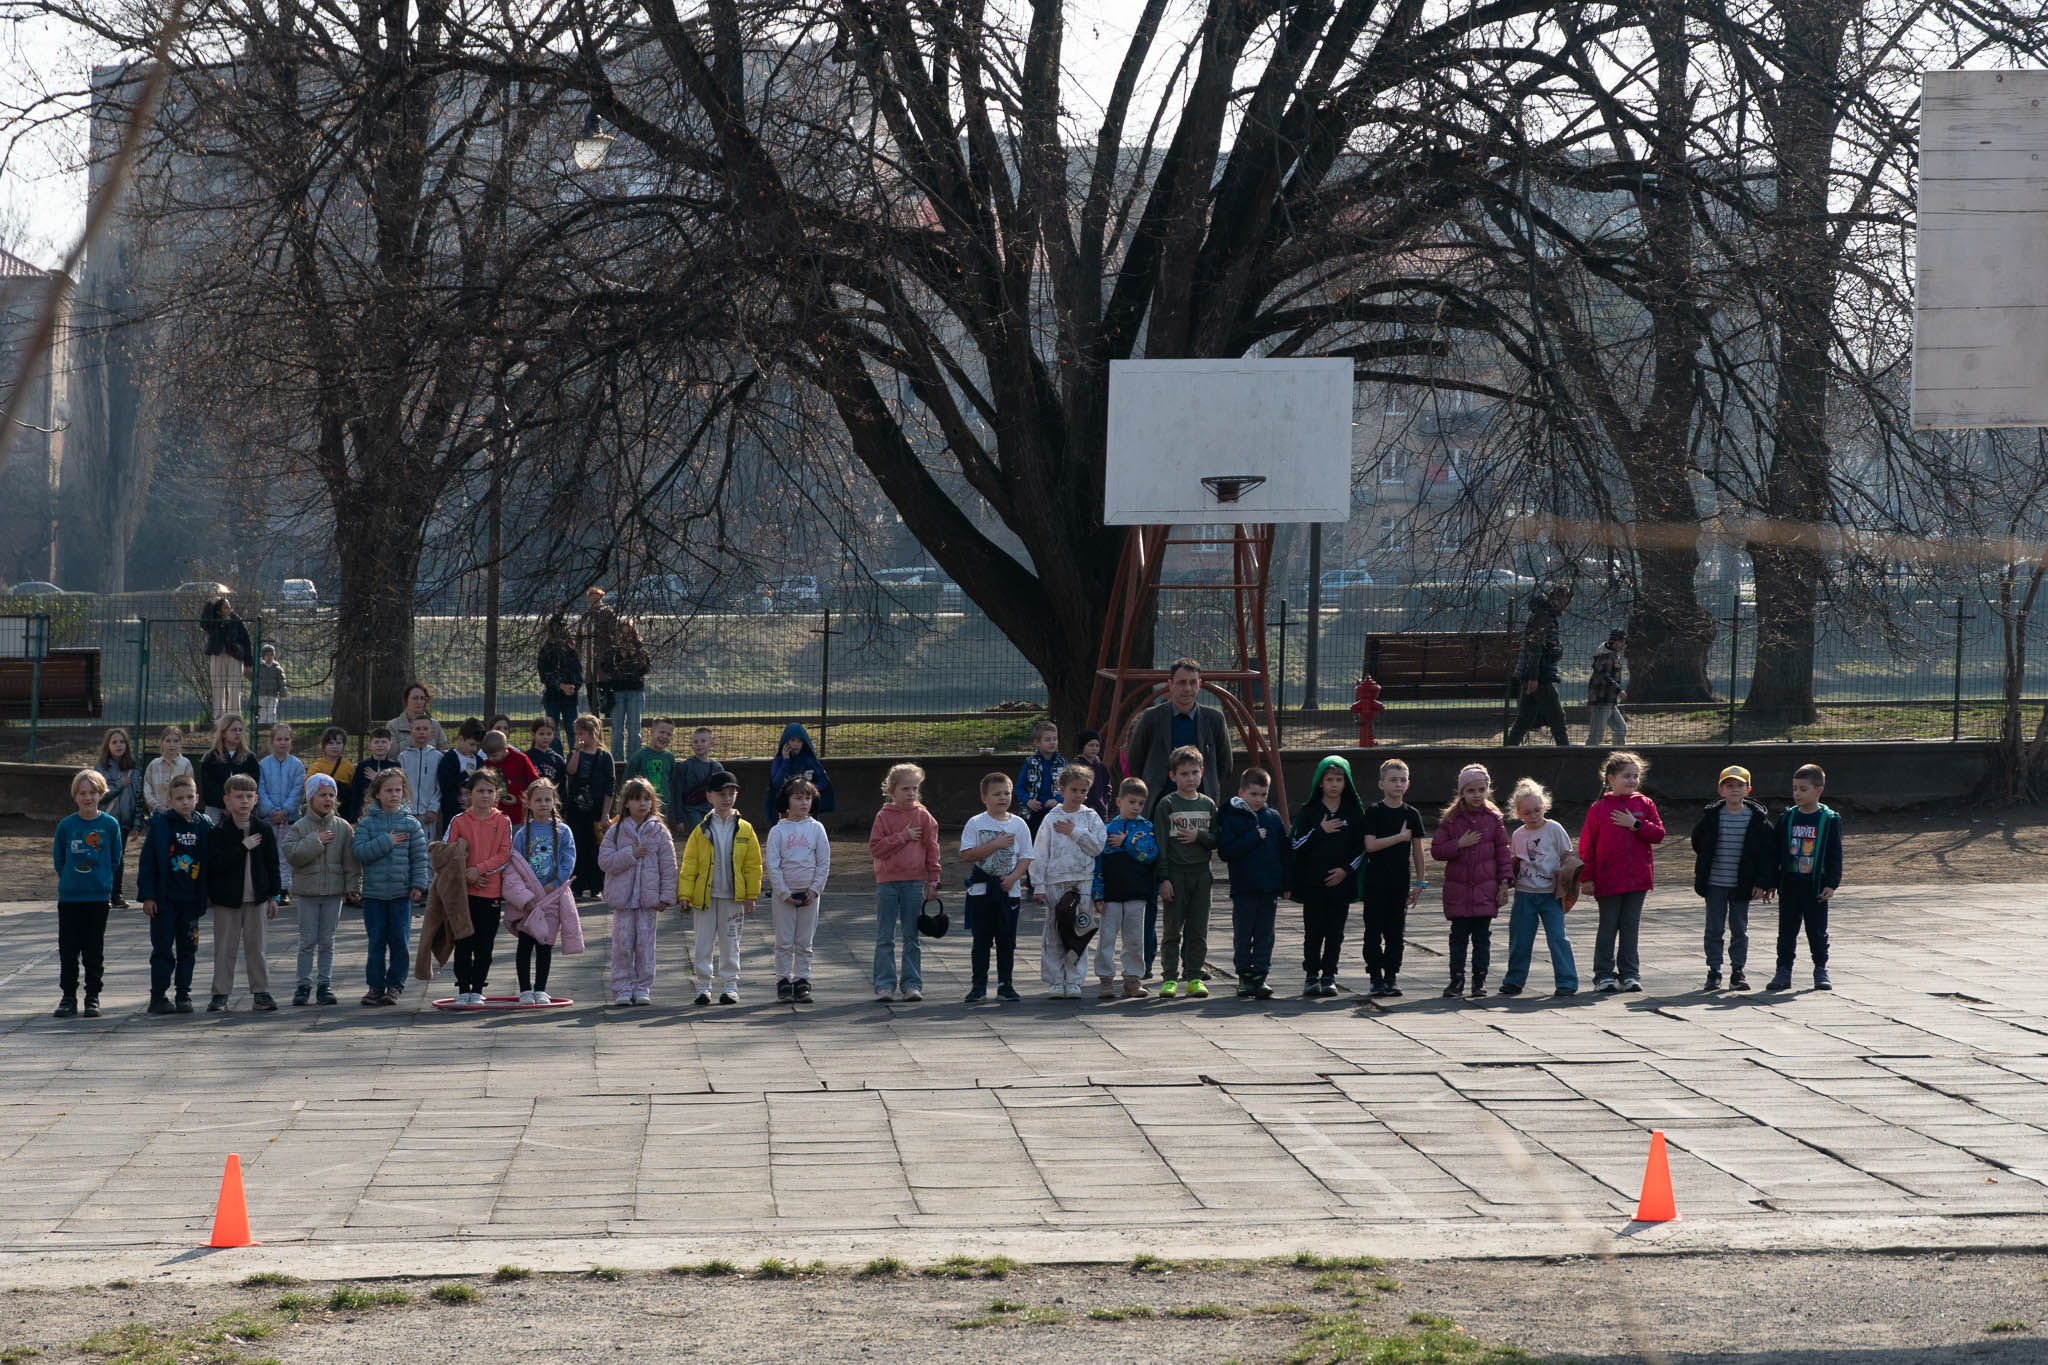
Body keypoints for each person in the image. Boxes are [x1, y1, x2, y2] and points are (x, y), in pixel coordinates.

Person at [1576, 749, 1665, 993]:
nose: (1632, 780)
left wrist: (1635, 824)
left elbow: (1658, 834)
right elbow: (1587, 846)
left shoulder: (1645, 804)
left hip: (1638, 879)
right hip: (1608, 879)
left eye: (1635, 776)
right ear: (1611, 779)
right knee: (1608, 926)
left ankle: (1629, 974)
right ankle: (1603, 974)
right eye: (1626, 775)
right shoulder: (1598, 809)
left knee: (1630, 926)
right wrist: (1586, 877)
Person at [679, 772, 764, 1005]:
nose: (726, 799)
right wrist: (685, 894)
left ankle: (730, 985)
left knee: (731, 942)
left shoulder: (746, 829)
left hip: (733, 897)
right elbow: (689, 864)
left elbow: (753, 864)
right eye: (721, 794)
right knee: (703, 943)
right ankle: (703, 985)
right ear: (709, 796)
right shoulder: (701, 830)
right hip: (704, 898)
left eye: (731, 794)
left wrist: (751, 894)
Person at [1431, 764, 1513, 1000]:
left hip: (1485, 891)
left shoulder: (1493, 819)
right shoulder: (1451, 820)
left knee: (1482, 938)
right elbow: (1437, 850)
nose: (1477, 795)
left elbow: (1502, 852)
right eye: (1471, 791)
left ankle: (1480, 980)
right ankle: (1456, 980)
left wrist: (1505, 881)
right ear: (1462, 793)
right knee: (1457, 938)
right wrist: (1458, 844)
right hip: (1458, 891)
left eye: (1481, 789)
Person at [1288, 755, 1368, 998]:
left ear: (1347, 782)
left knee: (1335, 931)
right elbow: (1295, 844)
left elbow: (1361, 847)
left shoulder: (1353, 811)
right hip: (1313, 882)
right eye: (1329, 779)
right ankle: (1311, 974)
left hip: (1341, 882)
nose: (1334, 784)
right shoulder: (1309, 811)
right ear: (1320, 782)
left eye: (1339, 779)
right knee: (1313, 931)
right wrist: (1319, 831)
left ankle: (1329, 975)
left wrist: (1346, 870)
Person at [1692, 765, 1777, 992]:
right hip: (1715, 883)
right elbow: (1697, 841)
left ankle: (1738, 971)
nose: (1734, 790)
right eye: (1729, 786)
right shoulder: (1711, 817)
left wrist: (1762, 882)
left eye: (1740, 786)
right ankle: (1714, 970)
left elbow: (1767, 855)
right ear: (1721, 790)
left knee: (1739, 929)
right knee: (1714, 929)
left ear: (1748, 790)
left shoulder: (1758, 820)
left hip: (1743, 886)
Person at [205, 772, 281, 1012]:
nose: (244, 801)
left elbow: (272, 863)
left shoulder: (264, 829)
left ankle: (261, 992)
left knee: (256, 948)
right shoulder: (219, 831)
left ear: (256, 799)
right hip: (228, 900)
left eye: (249, 796)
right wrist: (242, 848)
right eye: (238, 796)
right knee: (225, 948)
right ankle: (220, 994)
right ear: (227, 800)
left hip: (257, 899)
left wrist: (274, 895)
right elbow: (215, 865)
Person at [283, 772, 361, 1007]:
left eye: (331, 795)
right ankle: (302, 985)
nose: (327, 799)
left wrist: (353, 886)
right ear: (310, 798)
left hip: (333, 894)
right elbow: (292, 855)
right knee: (307, 941)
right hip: (308, 893)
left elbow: (351, 861)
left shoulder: (343, 828)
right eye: (322, 794)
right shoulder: (300, 826)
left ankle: (324, 984)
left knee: (328, 940)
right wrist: (315, 841)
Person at [352, 767, 428, 1006]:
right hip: (374, 895)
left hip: (400, 894)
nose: (394, 794)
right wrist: (387, 841)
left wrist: (418, 885)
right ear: (377, 793)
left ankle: (395, 985)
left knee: (400, 941)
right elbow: (360, 852)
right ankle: (375, 986)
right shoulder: (366, 824)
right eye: (388, 790)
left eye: (398, 790)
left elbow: (420, 857)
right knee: (376, 941)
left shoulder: (411, 824)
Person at [867, 762, 941, 1004]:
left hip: (913, 883)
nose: (911, 793)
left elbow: (933, 849)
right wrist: (903, 837)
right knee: (885, 936)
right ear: (892, 791)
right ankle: (884, 985)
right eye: (906, 789)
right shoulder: (883, 816)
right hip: (887, 883)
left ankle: (912, 984)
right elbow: (876, 849)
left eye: (915, 788)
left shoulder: (923, 816)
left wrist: (934, 880)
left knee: (912, 936)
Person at [1500, 778, 1582, 998]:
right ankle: (1514, 980)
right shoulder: (1518, 835)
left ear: (1544, 806)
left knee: (1557, 937)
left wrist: (1567, 877)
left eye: (1537, 810)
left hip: (1550, 894)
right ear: (1518, 813)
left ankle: (1567, 981)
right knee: (1520, 939)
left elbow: (1568, 856)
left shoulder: (1554, 829)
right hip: (1525, 894)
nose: (1533, 815)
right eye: (1527, 812)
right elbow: (1516, 861)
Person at [137, 772, 211, 1014]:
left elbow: (213, 863)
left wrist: (209, 893)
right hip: (164, 900)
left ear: (197, 798)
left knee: (188, 950)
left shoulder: (204, 825)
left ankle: (183, 994)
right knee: (162, 950)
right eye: (179, 798)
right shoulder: (160, 825)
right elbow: (147, 863)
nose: (185, 802)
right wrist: (148, 896)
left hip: (191, 901)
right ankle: (158, 996)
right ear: (170, 801)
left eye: (190, 797)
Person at [52, 768, 123, 1019]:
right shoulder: (67, 825)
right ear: (75, 796)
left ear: (101, 794)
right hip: (70, 897)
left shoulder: (109, 825)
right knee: (68, 949)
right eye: (82, 793)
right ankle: (68, 997)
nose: (88, 797)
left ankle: (92, 997)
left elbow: (115, 859)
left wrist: (101, 880)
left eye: (92, 792)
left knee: (94, 949)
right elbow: (59, 859)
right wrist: (72, 880)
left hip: (97, 898)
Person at [599, 777, 675, 1007]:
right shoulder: (616, 831)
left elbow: (669, 866)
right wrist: (629, 854)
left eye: (646, 799)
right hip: (623, 901)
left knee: (645, 944)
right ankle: (622, 987)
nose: (642, 804)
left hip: (647, 901)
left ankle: (642, 986)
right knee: (622, 944)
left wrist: (666, 896)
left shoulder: (660, 832)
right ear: (626, 803)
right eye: (636, 799)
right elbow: (605, 861)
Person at [1032, 765, 1107, 1000]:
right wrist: (1038, 884)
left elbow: (1097, 847)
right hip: (1056, 881)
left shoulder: (1090, 817)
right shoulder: (1051, 818)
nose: (1079, 795)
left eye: (1084, 790)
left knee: (1079, 929)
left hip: (1082, 880)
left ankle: (1074, 980)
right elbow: (1040, 852)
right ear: (1062, 789)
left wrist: (1074, 831)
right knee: (1055, 931)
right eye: (1074, 789)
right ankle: (1055, 979)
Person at [1768, 764, 1842, 992]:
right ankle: (1783, 971)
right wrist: (1770, 881)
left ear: (1818, 790)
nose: (1797, 794)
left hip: (1815, 887)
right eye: (1794, 789)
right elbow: (1775, 852)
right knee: (1786, 932)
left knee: (1817, 931)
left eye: (1803, 789)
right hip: (1790, 885)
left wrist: (1831, 883)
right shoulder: (1787, 818)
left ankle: (1820, 969)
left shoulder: (1828, 819)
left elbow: (1834, 854)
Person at [1358, 757, 1427, 1000]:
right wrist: (1399, 838)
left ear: (1408, 784)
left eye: (1402, 780)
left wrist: (1420, 882)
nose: (1398, 784)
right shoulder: (1375, 812)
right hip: (1376, 882)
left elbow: (1418, 850)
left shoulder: (1412, 814)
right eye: (1393, 780)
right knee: (1373, 931)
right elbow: (1370, 845)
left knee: (1396, 932)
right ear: (1381, 784)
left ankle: (1391, 976)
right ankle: (1375, 976)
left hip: (1400, 882)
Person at [1154, 745, 1219, 1000]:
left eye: (1194, 773)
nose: (1189, 778)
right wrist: (1164, 878)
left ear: (1201, 773)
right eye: (1183, 774)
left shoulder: (1208, 804)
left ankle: (1194, 976)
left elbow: (1216, 840)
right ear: (1173, 776)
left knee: (1198, 929)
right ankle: (1169, 977)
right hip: (1176, 875)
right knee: (1172, 929)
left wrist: (1199, 836)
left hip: (1202, 875)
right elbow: (1160, 843)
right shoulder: (1167, 805)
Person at [1218, 767, 1288, 1002]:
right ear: (1242, 792)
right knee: (1243, 932)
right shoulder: (1232, 817)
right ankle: (1244, 976)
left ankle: (1260, 975)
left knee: (1265, 933)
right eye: (1254, 794)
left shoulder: (1273, 817)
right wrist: (1253, 837)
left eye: (1263, 795)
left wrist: (1286, 881)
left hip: (1269, 887)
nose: (1258, 800)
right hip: (1244, 886)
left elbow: (1284, 851)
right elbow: (1226, 851)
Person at [1127, 659, 1233, 814]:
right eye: (1182, 683)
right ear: (1170, 684)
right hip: (1158, 806)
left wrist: (1207, 784)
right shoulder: (1151, 717)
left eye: (1192, 682)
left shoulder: (1215, 719)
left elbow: (1225, 765)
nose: (1187, 688)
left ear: (1199, 684)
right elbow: (1135, 761)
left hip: (1201, 808)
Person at [446, 767, 513, 1006]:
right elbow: (447, 852)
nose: (485, 795)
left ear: (497, 794)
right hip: (464, 893)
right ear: (469, 794)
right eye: (480, 790)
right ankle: (463, 987)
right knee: (463, 941)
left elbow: (505, 854)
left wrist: (480, 870)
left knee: (485, 944)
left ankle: (477, 988)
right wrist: (466, 875)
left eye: (490, 791)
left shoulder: (503, 821)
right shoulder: (459, 820)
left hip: (491, 891)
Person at [962, 773, 1032, 1003]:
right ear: (984, 798)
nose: (1002, 798)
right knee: (981, 941)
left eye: (1006, 793)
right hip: (981, 892)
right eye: (996, 794)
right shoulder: (975, 823)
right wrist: (995, 844)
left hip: (1008, 891)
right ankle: (978, 985)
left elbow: (1026, 857)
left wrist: (1013, 878)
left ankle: (1005, 984)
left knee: (1007, 941)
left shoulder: (1019, 824)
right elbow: (967, 854)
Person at [508, 778, 579, 1005]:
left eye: (548, 799)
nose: (543, 804)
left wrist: (556, 882)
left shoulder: (563, 831)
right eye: (537, 800)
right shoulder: (521, 834)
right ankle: (525, 990)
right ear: (528, 803)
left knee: (545, 943)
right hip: (529, 899)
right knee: (525, 943)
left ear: (555, 801)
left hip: (552, 897)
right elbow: (516, 863)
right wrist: (526, 893)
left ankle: (540, 989)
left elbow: (569, 860)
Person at [764, 778, 830, 1007]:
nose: (803, 802)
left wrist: (814, 890)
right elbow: (773, 865)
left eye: (808, 798)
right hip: (785, 896)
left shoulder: (816, 829)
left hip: (809, 894)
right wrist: (783, 893)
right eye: (798, 797)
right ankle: (783, 980)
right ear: (786, 800)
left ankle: (802, 979)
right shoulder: (778, 831)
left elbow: (823, 862)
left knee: (804, 941)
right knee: (784, 940)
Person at [1090, 778, 1154, 1000]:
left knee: (1135, 938)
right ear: (1119, 801)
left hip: (1136, 893)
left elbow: (1149, 856)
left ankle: (1133, 979)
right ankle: (1105, 979)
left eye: (1141, 803)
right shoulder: (1107, 829)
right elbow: (1098, 864)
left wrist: (1127, 843)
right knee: (1107, 937)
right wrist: (1097, 893)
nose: (1136, 807)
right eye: (1132, 802)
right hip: (1111, 894)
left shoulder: (1147, 828)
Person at [1506, 585, 1572, 747]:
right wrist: (1534, 677)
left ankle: (1508, 751)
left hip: (1533, 674)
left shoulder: (1541, 615)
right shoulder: (1544, 617)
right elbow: (1535, 648)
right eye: (1563, 600)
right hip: (1540, 675)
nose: (1565, 605)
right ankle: (1566, 752)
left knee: (1524, 719)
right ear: (1555, 599)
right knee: (1557, 717)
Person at [562, 715, 614, 901]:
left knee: (595, 848)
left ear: (593, 733)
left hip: (596, 808)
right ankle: (577, 885)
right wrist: (576, 751)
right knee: (578, 846)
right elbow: (571, 771)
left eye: (582, 733)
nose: (578, 737)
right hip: (577, 808)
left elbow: (610, 786)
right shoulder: (575, 753)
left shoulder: (604, 756)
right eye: (576, 734)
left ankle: (596, 886)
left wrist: (605, 813)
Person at [257, 722, 306, 906]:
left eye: (286, 739)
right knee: (268, 854)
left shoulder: (297, 765)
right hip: (268, 819)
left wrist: (285, 811)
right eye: (279, 739)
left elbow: (297, 791)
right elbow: (260, 790)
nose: (283, 743)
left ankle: (283, 889)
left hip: (289, 819)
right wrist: (271, 811)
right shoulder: (263, 765)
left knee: (285, 855)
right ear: (272, 741)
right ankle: (270, 889)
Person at [94, 727, 143, 909]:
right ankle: (103, 894)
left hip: (124, 822)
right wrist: (119, 786)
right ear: (108, 745)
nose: (118, 745)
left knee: (118, 858)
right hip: (106, 820)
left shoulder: (133, 769)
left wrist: (137, 823)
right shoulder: (101, 768)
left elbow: (138, 798)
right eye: (114, 742)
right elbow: (99, 795)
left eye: (122, 742)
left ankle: (117, 894)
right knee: (103, 856)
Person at [599, 613, 651, 755]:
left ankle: (634, 760)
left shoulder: (640, 649)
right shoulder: (612, 650)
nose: (625, 636)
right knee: (617, 730)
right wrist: (620, 659)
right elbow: (606, 667)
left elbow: (645, 669)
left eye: (628, 632)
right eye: (622, 632)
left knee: (635, 729)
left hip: (636, 691)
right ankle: (617, 761)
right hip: (617, 691)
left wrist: (634, 657)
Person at [766, 722, 835, 825]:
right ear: (786, 742)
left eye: (799, 741)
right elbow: (776, 784)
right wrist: (786, 761)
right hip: (785, 810)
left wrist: (808, 788)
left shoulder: (808, 759)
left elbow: (824, 781)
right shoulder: (779, 760)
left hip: (806, 810)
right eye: (792, 740)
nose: (795, 744)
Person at [198, 715, 261, 823]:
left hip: (242, 807)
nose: (237, 733)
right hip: (216, 808)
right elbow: (209, 785)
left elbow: (253, 783)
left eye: (240, 730)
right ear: (223, 733)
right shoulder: (211, 758)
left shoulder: (249, 758)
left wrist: (236, 804)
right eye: (233, 730)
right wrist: (225, 804)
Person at [200, 595, 252, 723]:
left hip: (234, 656)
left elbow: (246, 641)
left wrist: (248, 662)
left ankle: (235, 717)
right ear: (219, 611)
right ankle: (219, 718)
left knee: (235, 686)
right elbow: (204, 623)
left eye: (229, 605)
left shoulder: (237, 621)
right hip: (218, 656)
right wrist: (209, 604)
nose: (229, 608)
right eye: (225, 606)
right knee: (218, 687)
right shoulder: (214, 621)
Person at [672, 726, 726, 840]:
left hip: (712, 809)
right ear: (691, 745)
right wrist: (679, 819)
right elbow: (678, 793)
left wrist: (723, 812)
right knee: (701, 836)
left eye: (703, 741)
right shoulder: (684, 767)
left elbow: (723, 792)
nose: (699, 744)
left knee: (716, 837)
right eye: (695, 742)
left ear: (711, 743)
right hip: (692, 809)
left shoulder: (717, 767)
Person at [537, 614, 583, 747]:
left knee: (573, 730)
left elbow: (578, 672)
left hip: (570, 697)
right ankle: (556, 759)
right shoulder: (546, 650)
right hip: (553, 697)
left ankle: (575, 757)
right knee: (552, 730)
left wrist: (573, 687)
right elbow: (545, 675)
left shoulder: (571, 650)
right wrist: (561, 686)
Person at [1016, 719, 1067, 835]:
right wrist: (1028, 801)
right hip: (1032, 811)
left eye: (1055, 739)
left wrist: (1057, 800)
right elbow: (1019, 787)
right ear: (1037, 743)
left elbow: (1068, 786)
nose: (1052, 742)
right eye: (1047, 740)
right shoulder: (1030, 762)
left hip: (1055, 811)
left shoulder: (1062, 762)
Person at [480, 729, 539, 826]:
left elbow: (536, 783)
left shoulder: (521, 760)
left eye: (494, 755)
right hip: (495, 818)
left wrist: (518, 799)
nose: (490, 758)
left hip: (518, 817)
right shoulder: (487, 764)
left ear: (505, 748)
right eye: (487, 755)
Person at [436, 718, 486, 832]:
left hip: (474, 812)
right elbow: (445, 783)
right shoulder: (449, 759)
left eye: (477, 746)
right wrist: (464, 776)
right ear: (460, 739)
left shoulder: (478, 761)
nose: (474, 749)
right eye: (471, 744)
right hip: (453, 812)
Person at [398, 715, 443, 838]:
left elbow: (440, 786)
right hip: (407, 813)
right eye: (417, 729)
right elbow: (400, 784)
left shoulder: (438, 757)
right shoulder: (403, 757)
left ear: (432, 732)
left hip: (428, 814)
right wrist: (404, 808)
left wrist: (433, 809)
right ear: (411, 731)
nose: (421, 732)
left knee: (427, 848)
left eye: (425, 729)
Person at [626, 717, 679, 819]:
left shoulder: (670, 758)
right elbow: (627, 781)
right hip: (641, 806)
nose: (665, 736)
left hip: (662, 807)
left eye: (669, 734)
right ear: (652, 731)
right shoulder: (639, 756)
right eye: (662, 732)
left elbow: (670, 780)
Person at [347, 726, 400, 825]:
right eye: (376, 742)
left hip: (389, 813)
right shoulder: (362, 766)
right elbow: (355, 792)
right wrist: (353, 818)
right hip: (365, 813)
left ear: (390, 744)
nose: (380, 745)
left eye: (384, 742)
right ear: (370, 745)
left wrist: (378, 778)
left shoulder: (396, 766)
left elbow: (399, 789)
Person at [143, 725, 194, 820]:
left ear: (180, 743)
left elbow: (190, 789)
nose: (172, 744)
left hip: (180, 815)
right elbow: (147, 788)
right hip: (158, 814)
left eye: (176, 741)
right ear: (162, 742)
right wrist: (157, 806)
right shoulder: (154, 765)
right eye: (168, 741)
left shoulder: (186, 764)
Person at [1586, 629, 1628, 745]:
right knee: (1596, 736)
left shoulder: (1612, 656)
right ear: (1615, 642)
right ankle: (1587, 759)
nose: (1624, 645)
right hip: (1601, 702)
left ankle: (1617, 757)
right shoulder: (1606, 657)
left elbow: (1594, 679)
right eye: (1623, 642)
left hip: (1610, 702)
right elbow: (1604, 676)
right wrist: (1618, 690)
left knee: (1621, 729)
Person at [306, 726, 356, 817]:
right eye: (331, 743)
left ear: (343, 745)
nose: (335, 746)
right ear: (323, 745)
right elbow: (309, 788)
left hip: (343, 810)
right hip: (321, 811)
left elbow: (353, 790)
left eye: (338, 743)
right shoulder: (317, 767)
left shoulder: (348, 767)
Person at [387, 682, 448, 755]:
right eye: (415, 698)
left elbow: (444, 752)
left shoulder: (435, 725)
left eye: (422, 698)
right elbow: (391, 754)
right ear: (406, 700)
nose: (419, 702)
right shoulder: (393, 725)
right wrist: (413, 738)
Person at [1074, 729, 1114, 820]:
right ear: (1083, 746)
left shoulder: (1102, 767)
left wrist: (1105, 802)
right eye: (1091, 745)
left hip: (1100, 812)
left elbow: (1107, 788)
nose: (1094, 748)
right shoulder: (1076, 766)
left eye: (1097, 745)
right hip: (1081, 811)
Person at [526, 718, 567, 788]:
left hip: (552, 798)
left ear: (553, 734)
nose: (545, 737)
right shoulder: (526, 758)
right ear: (533, 735)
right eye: (541, 734)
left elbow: (562, 786)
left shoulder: (558, 760)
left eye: (549, 734)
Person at [255, 644, 288, 727]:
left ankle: (271, 726)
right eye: (267, 655)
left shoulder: (277, 668)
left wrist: (282, 692)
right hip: (261, 694)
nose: (269, 657)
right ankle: (262, 726)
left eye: (271, 655)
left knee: (271, 711)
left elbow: (282, 681)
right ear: (263, 656)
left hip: (273, 694)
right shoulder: (259, 667)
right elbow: (254, 678)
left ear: (273, 656)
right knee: (262, 711)